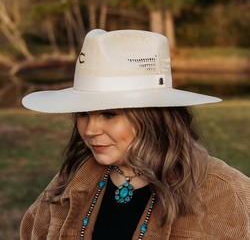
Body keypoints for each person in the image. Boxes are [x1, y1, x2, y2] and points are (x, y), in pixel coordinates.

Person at [20, 29, 250, 240]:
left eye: (108, 114)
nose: (89, 130)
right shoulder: (69, 181)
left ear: (152, 116)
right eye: (83, 114)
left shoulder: (226, 194)